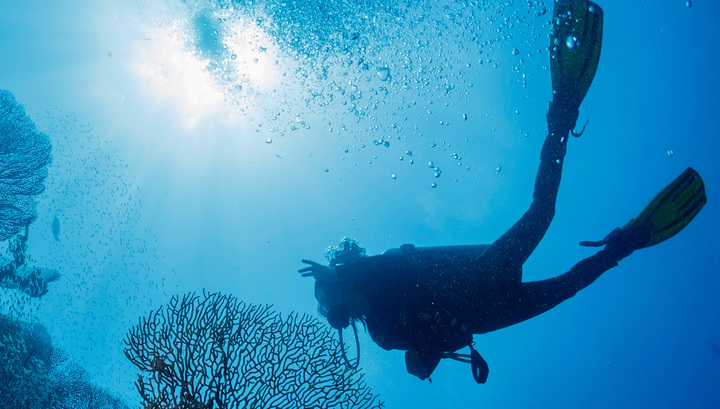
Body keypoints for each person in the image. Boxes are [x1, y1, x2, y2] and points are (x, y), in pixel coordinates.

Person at [299, 0, 706, 383]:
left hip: (479, 274)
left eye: (327, 291)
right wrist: (423, 361)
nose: (328, 304)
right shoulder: (381, 336)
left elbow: (396, 271)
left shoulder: (376, 271)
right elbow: (435, 344)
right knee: (567, 288)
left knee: (541, 213)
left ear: (343, 277)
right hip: (485, 314)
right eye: (325, 301)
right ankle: (625, 244)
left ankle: (561, 115)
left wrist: (345, 271)